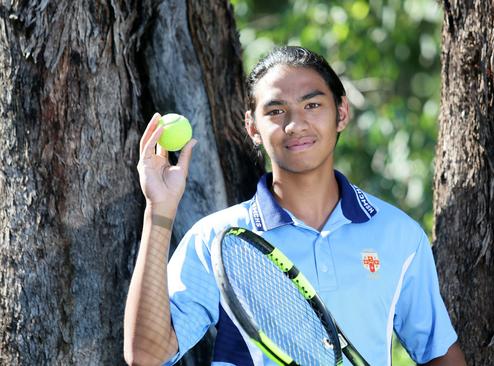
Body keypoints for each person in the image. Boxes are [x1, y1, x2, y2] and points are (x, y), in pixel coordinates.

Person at [124, 46, 466, 366]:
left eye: (312, 105)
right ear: (252, 127)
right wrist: (160, 209)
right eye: (275, 111)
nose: (295, 124)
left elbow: (438, 352)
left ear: (342, 112)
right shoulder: (216, 238)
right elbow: (146, 356)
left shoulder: (399, 235)